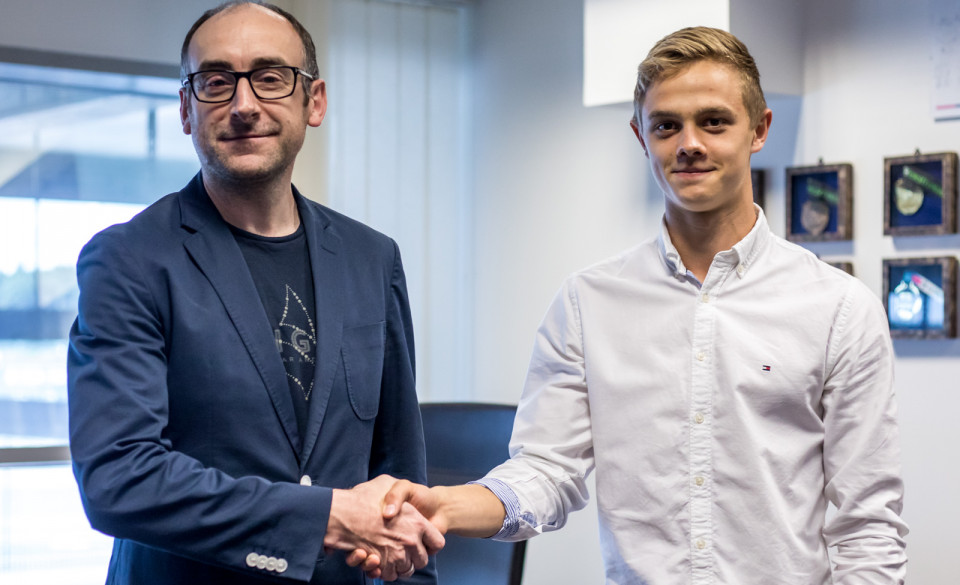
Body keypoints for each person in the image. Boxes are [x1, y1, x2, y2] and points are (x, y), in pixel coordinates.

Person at [368, 26, 908, 584]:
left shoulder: (839, 308)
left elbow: (868, 526)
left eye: (714, 122)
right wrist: (447, 505)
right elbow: (548, 471)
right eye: (666, 125)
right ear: (641, 136)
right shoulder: (587, 303)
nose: (689, 143)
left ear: (759, 129)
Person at [67, 2, 442, 583]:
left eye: (270, 78)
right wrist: (326, 517)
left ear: (314, 101)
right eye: (216, 82)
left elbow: (400, 471)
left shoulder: (372, 257)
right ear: (187, 109)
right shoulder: (129, 260)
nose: (244, 104)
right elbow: (120, 479)